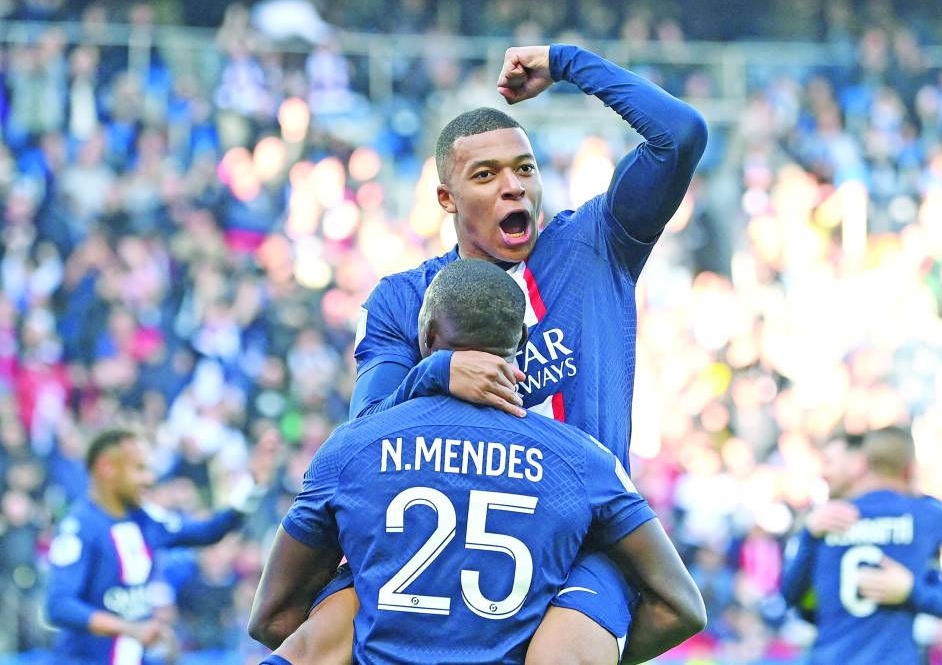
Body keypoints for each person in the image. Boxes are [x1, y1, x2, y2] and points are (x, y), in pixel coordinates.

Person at [285, 42, 708, 665]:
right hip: (444, 542)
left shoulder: (595, 247)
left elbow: (681, 135)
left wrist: (566, 62)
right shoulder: (403, 299)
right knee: (306, 635)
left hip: (581, 547)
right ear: (446, 199)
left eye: (525, 169)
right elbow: (367, 433)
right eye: (485, 176)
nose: (513, 187)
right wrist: (437, 373)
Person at [248, 259, 706, 664]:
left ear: (427, 336)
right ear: (522, 339)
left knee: (348, 589)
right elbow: (682, 607)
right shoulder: (583, 461)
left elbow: (272, 617)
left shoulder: (349, 449)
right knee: (603, 574)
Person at [45, 428, 260, 664]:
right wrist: (130, 629)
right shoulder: (78, 527)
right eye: (139, 468)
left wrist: (252, 485)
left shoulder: (146, 520)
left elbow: (208, 532)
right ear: (107, 468)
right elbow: (59, 606)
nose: (149, 478)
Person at [780, 427, 942, 664]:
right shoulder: (922, 514)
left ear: (861, 464)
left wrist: (808, 535)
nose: (824, 473)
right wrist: (911, 591)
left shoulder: (821, 523)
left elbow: (786, 596)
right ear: (910, 469)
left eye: (830, 462)